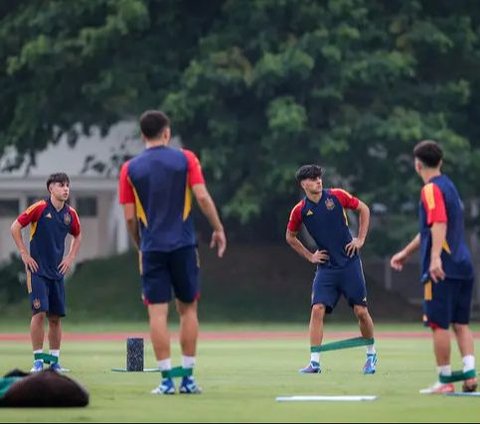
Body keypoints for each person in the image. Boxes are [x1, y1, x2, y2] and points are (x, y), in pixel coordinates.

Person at [118, 110, 226, 395]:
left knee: (157, 313)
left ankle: (166, 380)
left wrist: (139, 244)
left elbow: (129, 217)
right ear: (166, 133)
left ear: (143, 136)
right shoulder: (186, 158)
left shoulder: (129, 169)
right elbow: (201, 196)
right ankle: (188, 378)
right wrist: (218, 227)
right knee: (188, 308)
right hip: (184, 245)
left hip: (152, 247)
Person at [390, 140, 477, 394]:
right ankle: (470, 376)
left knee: (439, 324)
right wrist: (406, 253)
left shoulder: (429, 190)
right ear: (440, 161)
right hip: (464, 265)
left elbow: (438, 223)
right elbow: (429, 229)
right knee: (461, 324)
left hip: (442, 269)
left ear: (417, 165)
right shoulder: (450, 187)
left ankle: (445, 380)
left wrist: (436, 258)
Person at [286, 164, 377, 375]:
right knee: (317, 309)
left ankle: (371, 355)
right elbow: (290, 236)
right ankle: (314, 362)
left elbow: (364, 208)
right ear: (303, 184)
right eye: (313, 178)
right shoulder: (300, 210)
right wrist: (310, 256)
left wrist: (360, 239)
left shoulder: (336, 196)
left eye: (319, 177)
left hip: (349, 263)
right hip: (326, 267)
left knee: (361, 312)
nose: (318, 181)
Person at [10, 173, 82, 373]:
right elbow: (15, 227)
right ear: (51, 188)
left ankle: (54, 361)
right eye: (61, 185)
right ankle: (38, 360)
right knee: (39, 313)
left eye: (68, 185)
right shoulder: (40, 208)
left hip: (57, 273)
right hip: (37, 271)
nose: (66, 189)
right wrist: (24, 254)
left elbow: (78, 234)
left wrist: (70, 257)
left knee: (55, 317)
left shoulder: (70, 214)